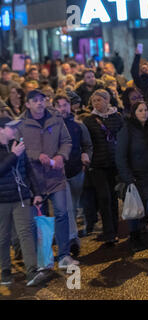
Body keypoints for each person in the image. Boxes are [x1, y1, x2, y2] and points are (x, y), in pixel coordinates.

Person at [17, 90, 78, 269]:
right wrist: (37, 155)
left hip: (56, 176)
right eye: (35, 100)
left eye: (42, 100)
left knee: (61, 213)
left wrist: (61, 155)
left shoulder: (56, 119)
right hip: (34, 180)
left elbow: (66, 140)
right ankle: (45, 258)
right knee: (40, 219)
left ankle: (64, 255)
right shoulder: (21, 124)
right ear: (27, 104)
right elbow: (17, 149)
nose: (39, 103)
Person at [0, 118, 49, 286]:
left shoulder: (18, 145)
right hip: (2, 201)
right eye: (10, 127)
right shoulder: (15, 150)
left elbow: (28, 170)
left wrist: (37, 193)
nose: (15, 130)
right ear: (1, 129)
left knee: (26, 233)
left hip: (21, 197)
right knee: (3, 237)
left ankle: (32, 271)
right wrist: (14, 155)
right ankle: (5, 271)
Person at [116, 102, 148, 254]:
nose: (144, 113)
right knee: (136, 207)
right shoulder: (127, 130)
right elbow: (120, 156)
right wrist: (128, 177)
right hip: (135, 176)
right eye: (140, 110)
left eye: (146, 110)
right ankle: (135, 237)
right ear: (134, 113)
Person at [83, 89, 124, 245]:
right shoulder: (89, 120)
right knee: (104, 197)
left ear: (107, 101)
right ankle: (109, 232)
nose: (97, 103)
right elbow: (87, 142)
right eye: (94, 101)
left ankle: (114, 229)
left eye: (99, 100)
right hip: (98, 165)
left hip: (114, 163)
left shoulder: (117, 117)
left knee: (113, 198)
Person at [53, 94, 93, 256]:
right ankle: (72, 239)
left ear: (70, 106)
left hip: (77, 170)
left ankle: (71, 234)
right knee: (67, 208)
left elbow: (87, 144)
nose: (63, 108)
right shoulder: (50, 126)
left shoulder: (78, 125)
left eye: (65, 105)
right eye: (59, 105)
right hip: (59, 174)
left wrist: (86, 156)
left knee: (74, 206)